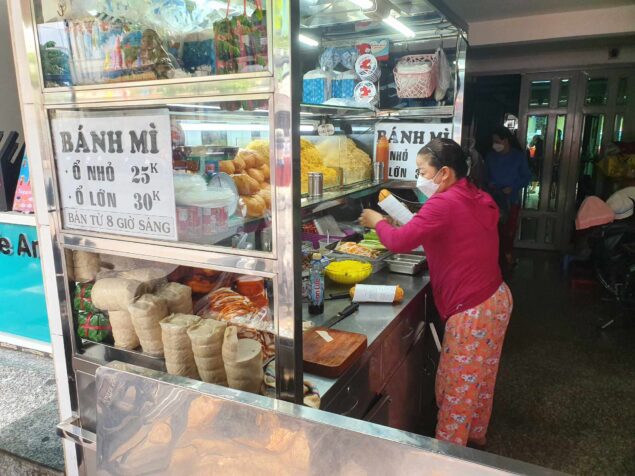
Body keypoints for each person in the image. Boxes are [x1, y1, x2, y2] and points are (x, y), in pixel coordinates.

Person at [359, 138, 513, 448]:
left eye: (422, 171)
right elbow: (444, 230)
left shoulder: (444, 202)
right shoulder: (474, 193)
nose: (419, 177)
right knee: (480, 378)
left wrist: (376, 221)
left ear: (443, 172)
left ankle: (445, 457)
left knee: (456, 387)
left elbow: (400, 242)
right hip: (496, 298)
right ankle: (475, 438)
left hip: (472, 309)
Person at [486, 126, 531, 268]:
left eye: (497, 141)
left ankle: (508, 254)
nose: (495, 144)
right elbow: (485, 175)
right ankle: (492, 257)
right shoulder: (490, 156)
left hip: (511, 199)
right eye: (493, 141)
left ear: (505, 140)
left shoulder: (518, 156)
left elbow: (526, 177)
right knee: (492, 229)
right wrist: (491, 184)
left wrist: (513, 187)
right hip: (492, 199)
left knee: (509, 229)